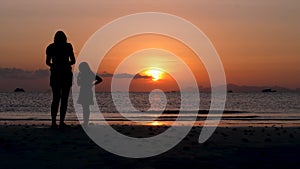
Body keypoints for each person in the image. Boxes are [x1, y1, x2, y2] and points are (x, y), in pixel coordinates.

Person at [46, 31, 76, 128]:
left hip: (56, 74)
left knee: (56, 98)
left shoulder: (51, 47)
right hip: (65, 73)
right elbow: (73, 60)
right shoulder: (68, 46)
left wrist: (54, 66)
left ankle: (54, 122)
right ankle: (61, 121)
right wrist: (65, 64)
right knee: (64, 99)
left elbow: (47, 62)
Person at [77, 62, 102, 126]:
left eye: (80, 68)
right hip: (85, 90)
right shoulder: (88, 74)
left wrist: (93, 84)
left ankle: (86, 121)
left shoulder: (88, 74)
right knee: (85, 107)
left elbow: (100, 79)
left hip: (85, 91)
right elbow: (79, 84)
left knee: (85, 107)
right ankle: (86, 121)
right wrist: (92, 84)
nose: (79, 69)